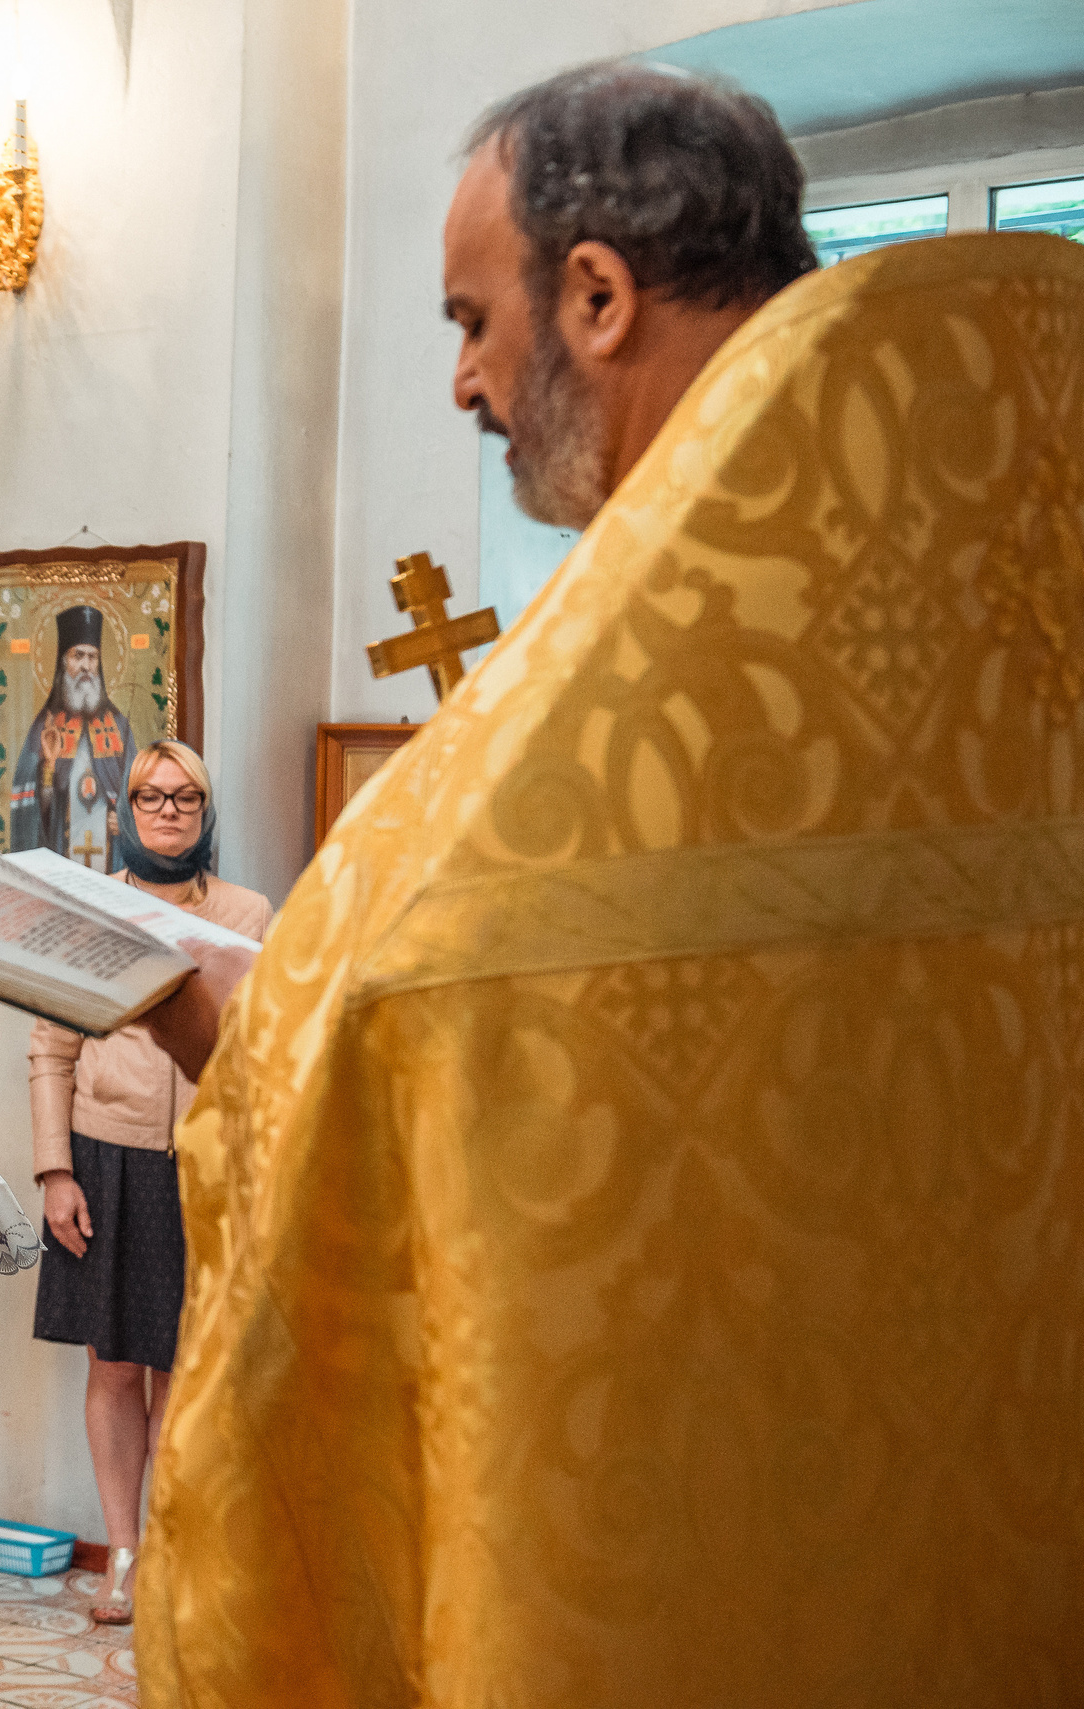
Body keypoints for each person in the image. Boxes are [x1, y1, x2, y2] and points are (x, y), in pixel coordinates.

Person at [135, 62, 1084, 1705]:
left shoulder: (558, 760)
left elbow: (403, 1030)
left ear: (595, 294)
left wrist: (244, 1037)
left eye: (471, 320)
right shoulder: (1023, 600)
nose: (461, 380)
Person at [26, 740, 270, 1627]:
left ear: (206, 810)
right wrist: (56, 1169)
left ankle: (172, 1553)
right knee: (116, 1364)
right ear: (126, 811)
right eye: (151, 796)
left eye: (185, 796)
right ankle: (122, 1555)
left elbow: (265, 1041)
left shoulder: (249, 912)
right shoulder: (87, 908)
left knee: (185, 1370)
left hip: (206, 1160)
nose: (168, 810)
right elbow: (51, 1047)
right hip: (106, 1157)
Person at [8, 605, 137, 869]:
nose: (86, 666)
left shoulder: (119, 727)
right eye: (78, 656)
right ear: (63, 661)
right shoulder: (44, 728)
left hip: (113, 866)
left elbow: (140, 794)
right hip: (60, 862)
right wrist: (48, 767)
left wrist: (126, 823)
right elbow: (33, 812)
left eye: (92, 657)